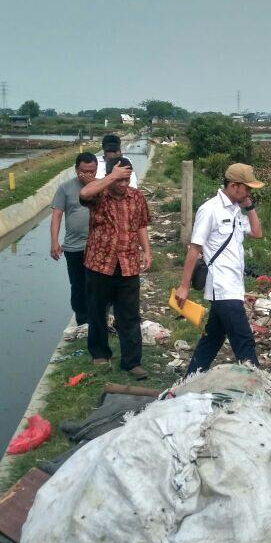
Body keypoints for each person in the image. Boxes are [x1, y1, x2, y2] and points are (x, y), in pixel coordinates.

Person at [175, 163, 265, 375]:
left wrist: (249, 206)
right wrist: (184, 286)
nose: (249, 192)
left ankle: (190, 379)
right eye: (247, 188)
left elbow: (256, 232)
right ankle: (259, 387)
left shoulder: (235, 210)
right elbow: (194, 248)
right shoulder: (210, 210)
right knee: (244, 341)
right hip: (221, 285)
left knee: (213, 338)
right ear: (234, 186)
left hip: (234, 284)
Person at [79, 157, 152, 378]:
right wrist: (111, 176)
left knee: (129, 315)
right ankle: (100, 353)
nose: (123, 185)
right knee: (98, 311)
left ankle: (132, 362)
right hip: (100, 264)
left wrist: (147, 251)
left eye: (126, 180)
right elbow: (84, 194)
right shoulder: (99, 194)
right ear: (111, 177)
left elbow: (141, 225)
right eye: (119, 180)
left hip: (128, 264)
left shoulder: (136, 197)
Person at [50, 152, 98, 326]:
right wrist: (54, 242)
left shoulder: (103, 187)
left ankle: (99, 319)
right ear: (76, 169)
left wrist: (94, 185)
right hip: (74, 247)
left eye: (92, 171)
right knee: (78, 285)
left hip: (99, 246)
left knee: (98, 285)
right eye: (84, 171)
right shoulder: (65, 188)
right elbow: (57, 215)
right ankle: (82, 321)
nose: (88, 175)